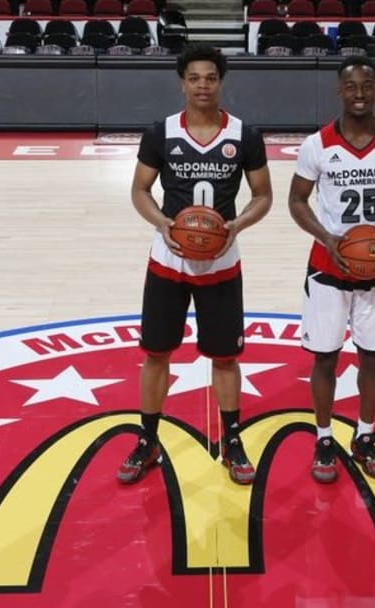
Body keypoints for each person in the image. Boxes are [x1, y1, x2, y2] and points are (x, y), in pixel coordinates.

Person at [117, 45, 273, 486]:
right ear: (182, 82)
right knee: (156, 354)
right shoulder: (160, 133)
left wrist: (237, 225)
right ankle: (147, 439)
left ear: (220, 82)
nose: (203, 85)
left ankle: (232, 439)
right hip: (168, 261)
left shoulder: (245, 135)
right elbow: (140, 191)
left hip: (222, 263)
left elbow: (263, 195)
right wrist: (163, 224)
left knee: (225, 358)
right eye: (194, 78)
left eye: (211, 77)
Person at [287, 55, 375, 484]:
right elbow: (297, 202)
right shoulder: (317, 145)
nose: (359, 93)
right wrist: (328, 239)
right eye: (351, 86)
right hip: (327, 267)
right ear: (339, 91)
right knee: (325, 357)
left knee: (371, 357)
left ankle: (365, 436)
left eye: (367, 85)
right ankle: (324, 437)